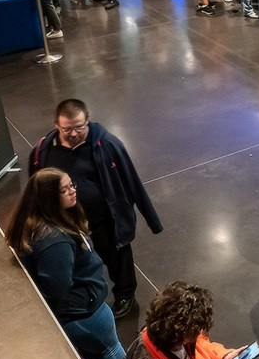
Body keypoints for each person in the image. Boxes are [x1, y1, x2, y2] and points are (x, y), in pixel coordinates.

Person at [29, 98, 163, 318]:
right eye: (67, 129)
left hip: (105, 221)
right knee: (80, 264)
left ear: (88, 121)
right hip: (66, 225)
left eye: (79, 127)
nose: (73, 134)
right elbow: (36, 187)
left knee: (118, 259)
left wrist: (152, 221)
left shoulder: (108, 145)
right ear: (56, 125)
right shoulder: (42, 152)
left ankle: (125, 295)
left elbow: (132, 181)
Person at [5, 168, 125, 359]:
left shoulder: (45, 220)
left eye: (72, 185)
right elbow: (58, 288)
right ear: (49, 197)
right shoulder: (55, 241)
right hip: (85, 313)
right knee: (112, 355)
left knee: (98, 350)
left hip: (83, 308)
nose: (72, 191)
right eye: (64, 190)